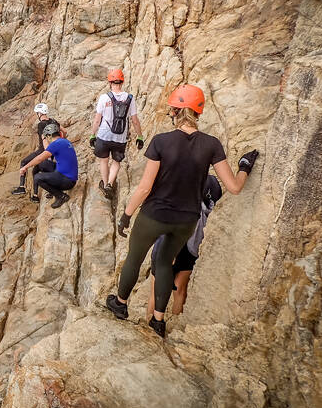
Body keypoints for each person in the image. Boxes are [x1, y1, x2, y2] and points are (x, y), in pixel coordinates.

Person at [105, 84, 259, 338]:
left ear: (175, 111)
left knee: (135, 257)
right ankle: (158, 321)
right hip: (187, 220)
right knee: (165, 262)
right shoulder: (211, 144)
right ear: (198, 113)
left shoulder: (161, 142)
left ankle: (120, 305)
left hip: (155, 214)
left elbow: (145, 188)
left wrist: (126, 215)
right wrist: (244, 166)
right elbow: (233, 187)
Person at [146, 175, 222, 318]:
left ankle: (150, 325)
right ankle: (173, 323)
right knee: (180, 290)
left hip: (170, 245)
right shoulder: (211, 186)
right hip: (191, 247)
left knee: (156, 292)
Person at [89, 69, 144, 200]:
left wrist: (92, 135)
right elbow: (135, 120)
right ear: (122, 82)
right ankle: (109, 184)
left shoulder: (104, 98)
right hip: (120, 137)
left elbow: (97, 120)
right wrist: (140, 136)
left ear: (110, 82)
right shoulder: (129, 98)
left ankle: (104, 182)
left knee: (104, 160)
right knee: (116, 161)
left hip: (104, 135)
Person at [11, 103, 68, 198]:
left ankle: (22, 187)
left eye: (37, 113)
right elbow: (64, 131)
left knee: (24, 162)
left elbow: (44, 138)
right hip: (53, 151)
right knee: (35, 171)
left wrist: (47, 153)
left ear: (39, 113)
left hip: (43, 150)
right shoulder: (53, 121)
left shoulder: (41, 125)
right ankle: (35, 196)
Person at [19, 123, 77, 209]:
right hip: (68, 175)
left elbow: (40, 158)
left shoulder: (55, 144)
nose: (47, 140)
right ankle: (52, 189)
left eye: (46, 138)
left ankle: (61, 196)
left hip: (67, 181)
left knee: (37, 178)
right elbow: (42, 161)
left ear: (49, 136)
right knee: (43, 165)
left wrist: (25, 167)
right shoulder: (65, 141)